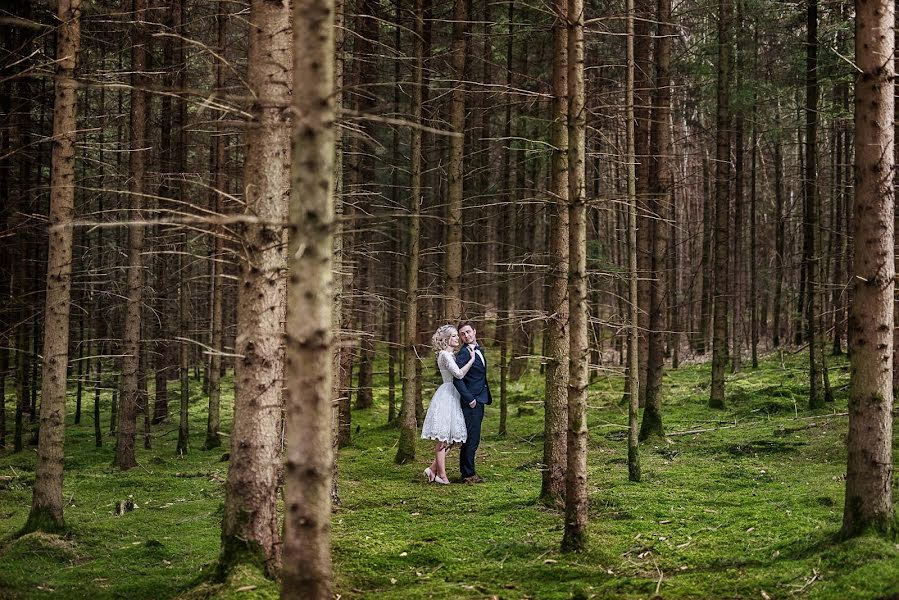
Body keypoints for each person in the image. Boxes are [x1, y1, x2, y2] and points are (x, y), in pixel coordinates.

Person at [421, 325, 477, 484]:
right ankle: (442, 475)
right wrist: (472, 360)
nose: (457, 338)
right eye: (453, 336)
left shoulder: (451, 354)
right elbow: (458, 374)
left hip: (455, 395)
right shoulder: (445, 355)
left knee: (454, 439)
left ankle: (432, 470)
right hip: (448, 395)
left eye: (456, 336)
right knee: (443, 439)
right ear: (446, 339)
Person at [453, 321, 492, 483]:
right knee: (472, 438)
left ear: (474, 331)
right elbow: (457, 378)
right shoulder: (463, 354)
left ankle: (467, 471)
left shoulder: (478, 349)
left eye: (468, 332)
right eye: (462, 334)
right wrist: (470, 399)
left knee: (472, 437)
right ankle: (468, 474)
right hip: (472, 401)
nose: (466, 335)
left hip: (480, 397)